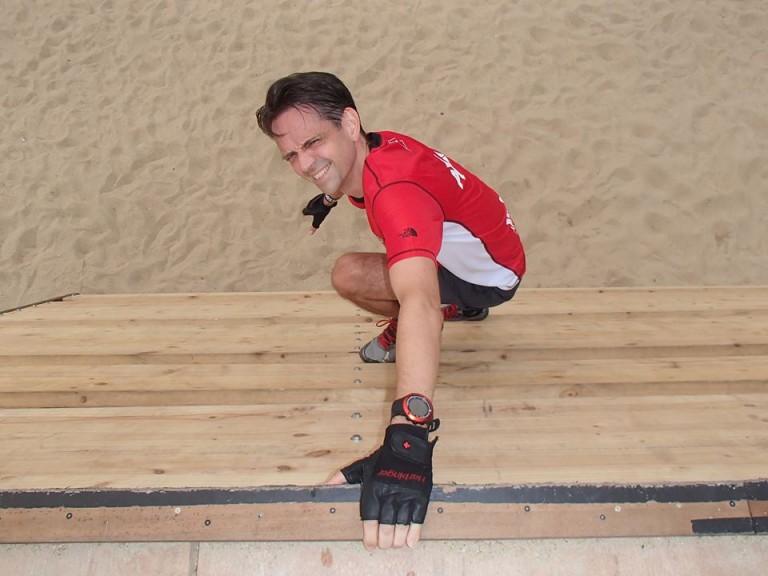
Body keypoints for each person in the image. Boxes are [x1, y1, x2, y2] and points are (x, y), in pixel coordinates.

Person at [256, 72, 525, 550]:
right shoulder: (376, 148)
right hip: (491, 253)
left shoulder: (394, 190)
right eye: (291, 155)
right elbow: (349, 170)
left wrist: (408, 436)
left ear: (350, 123)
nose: (304, 163)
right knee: (392, 270)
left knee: (350, 274)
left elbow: (419, 299)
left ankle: (459, 306)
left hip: (489, 278)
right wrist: (328, 195)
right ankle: (463, 305)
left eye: (313, 143)